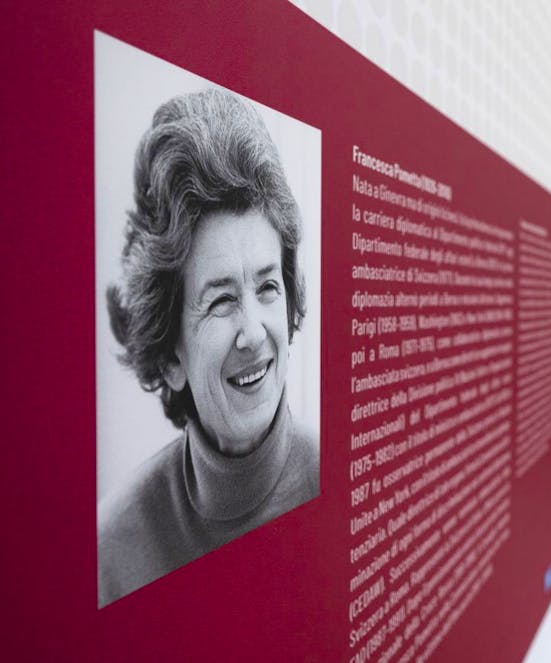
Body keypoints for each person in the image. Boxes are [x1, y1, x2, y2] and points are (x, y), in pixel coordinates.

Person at [98, 89, 319, 607]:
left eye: (268, 287)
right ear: (171, 356)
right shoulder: (113, 549)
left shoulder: (346, 477)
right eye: (221, 301)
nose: (253, 332)